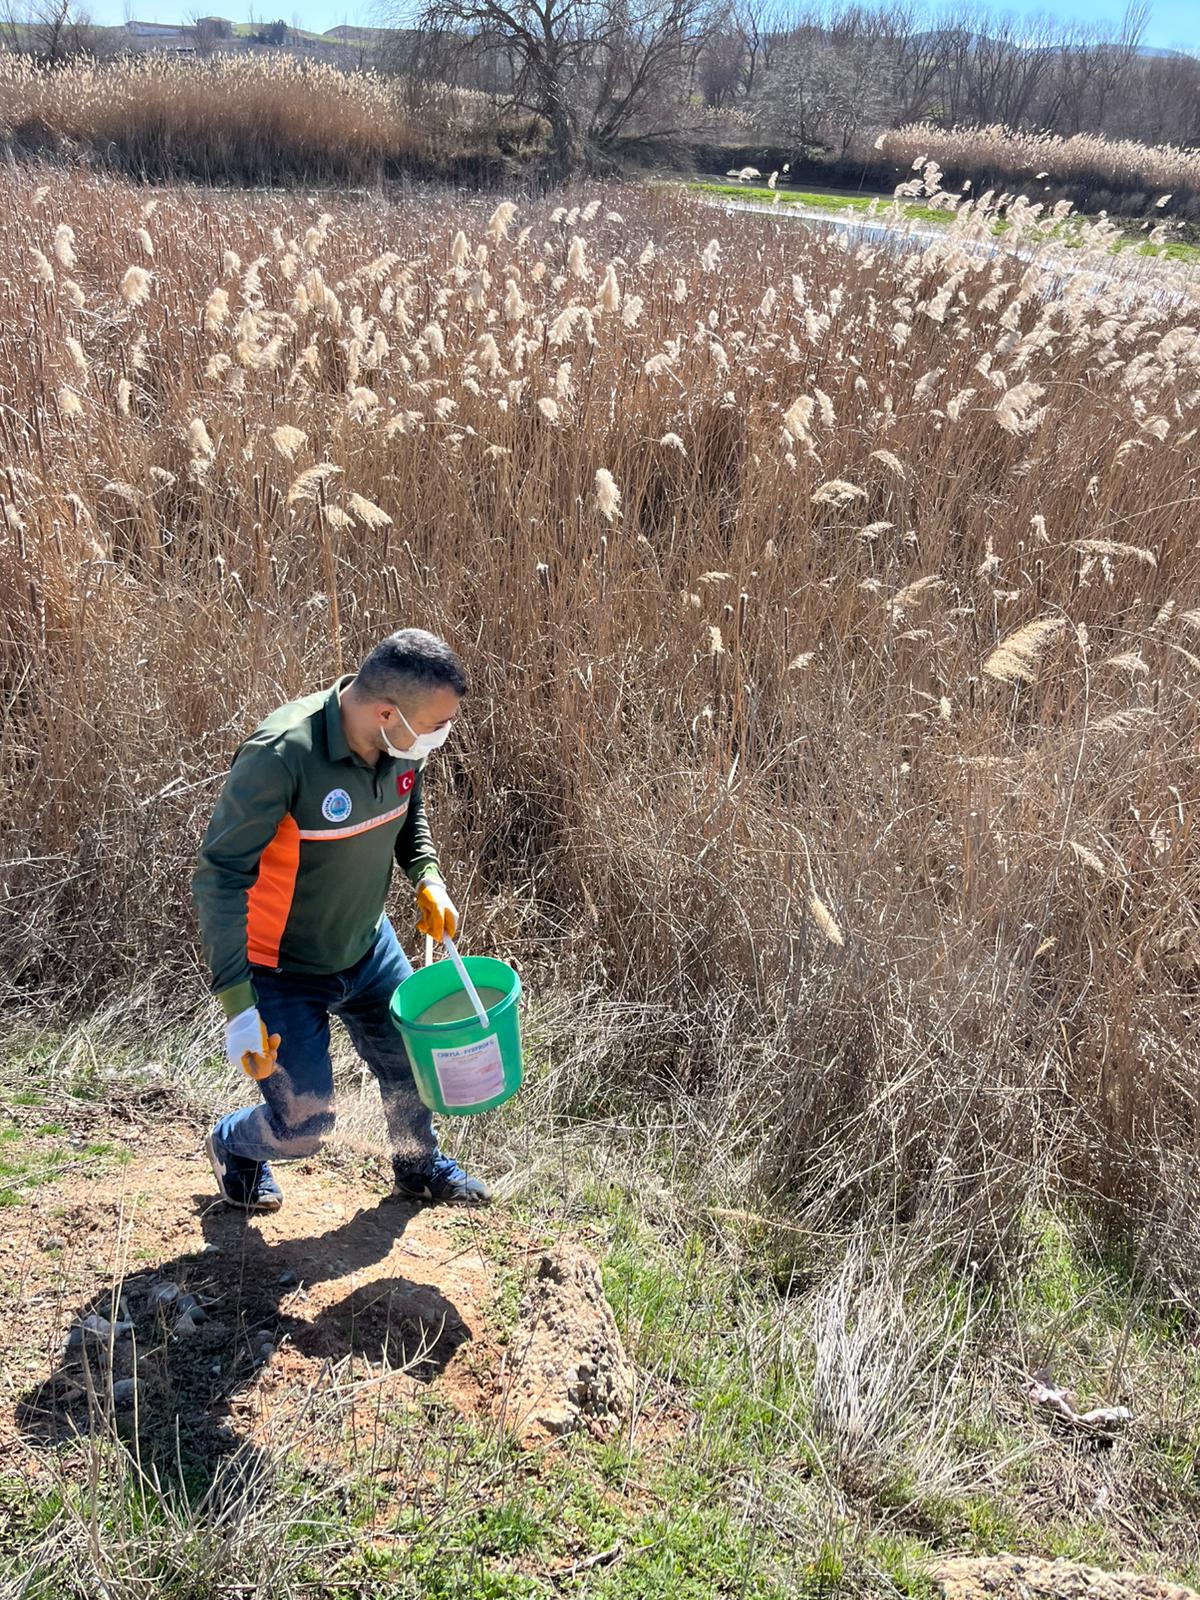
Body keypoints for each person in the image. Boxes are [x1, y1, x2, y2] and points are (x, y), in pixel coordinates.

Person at [192, 628, 491, 1213]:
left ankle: (416, 1165)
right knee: (304, 1127)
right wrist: (238, 1006)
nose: (441, 737)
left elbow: (408, 814)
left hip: (369, 947)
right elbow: (220, 876)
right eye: (436, 724)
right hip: (281, 968)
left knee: (411, 1065)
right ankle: (234, 1144)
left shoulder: (403, 743)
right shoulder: (281, 756)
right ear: (386, 712)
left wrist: (428, 875)